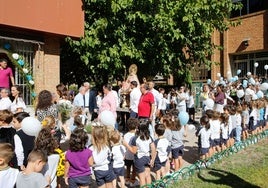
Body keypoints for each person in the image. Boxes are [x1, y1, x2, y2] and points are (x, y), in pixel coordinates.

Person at [123, 120, 156, 187]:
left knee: (142, 178)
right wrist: (153, 159)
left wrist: (126, 145)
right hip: (147, 158)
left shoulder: (135, 138)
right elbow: (153, 149)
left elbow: (134, 151)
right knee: (147, 176)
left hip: (139, 159)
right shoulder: (149, 137)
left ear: (138, 128)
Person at [123, 118, 138, 186]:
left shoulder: (125, 135)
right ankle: (133, 180)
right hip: (135, 155)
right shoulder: (137, 135)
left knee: (128, 168)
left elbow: (124, 146)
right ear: (136, 126)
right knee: (134, 169)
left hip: (128, 155)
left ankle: (127, 180)